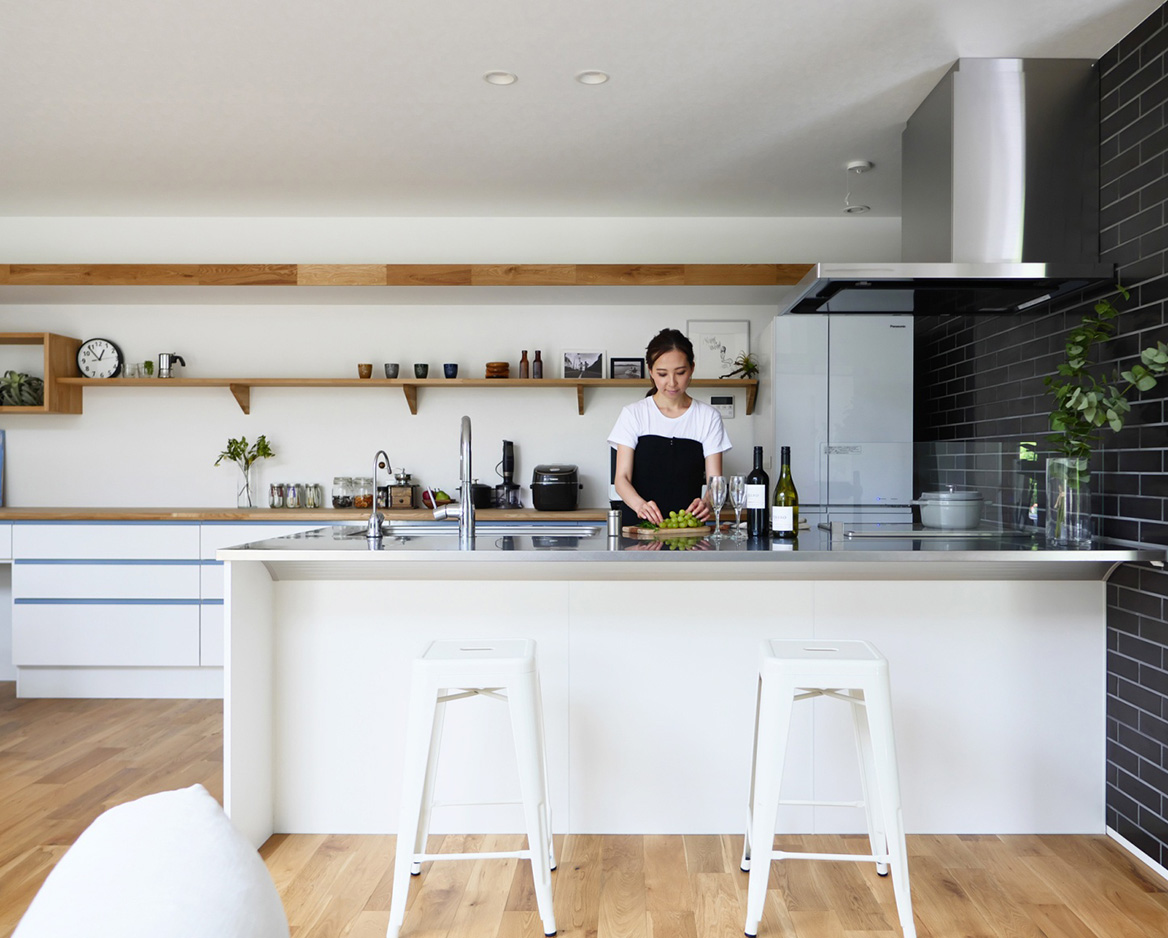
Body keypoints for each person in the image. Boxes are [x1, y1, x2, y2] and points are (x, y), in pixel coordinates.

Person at [608, 328, 731, 528]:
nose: (672, 383)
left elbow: (715, 482)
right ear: (650, 371)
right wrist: (640, 506)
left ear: (692, 368)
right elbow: (621, 479)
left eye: (680, 373)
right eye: (662, 374)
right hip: (639, 528)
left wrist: (707, 502)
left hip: (687, 530)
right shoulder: (633, 414)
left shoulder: (708, 417)